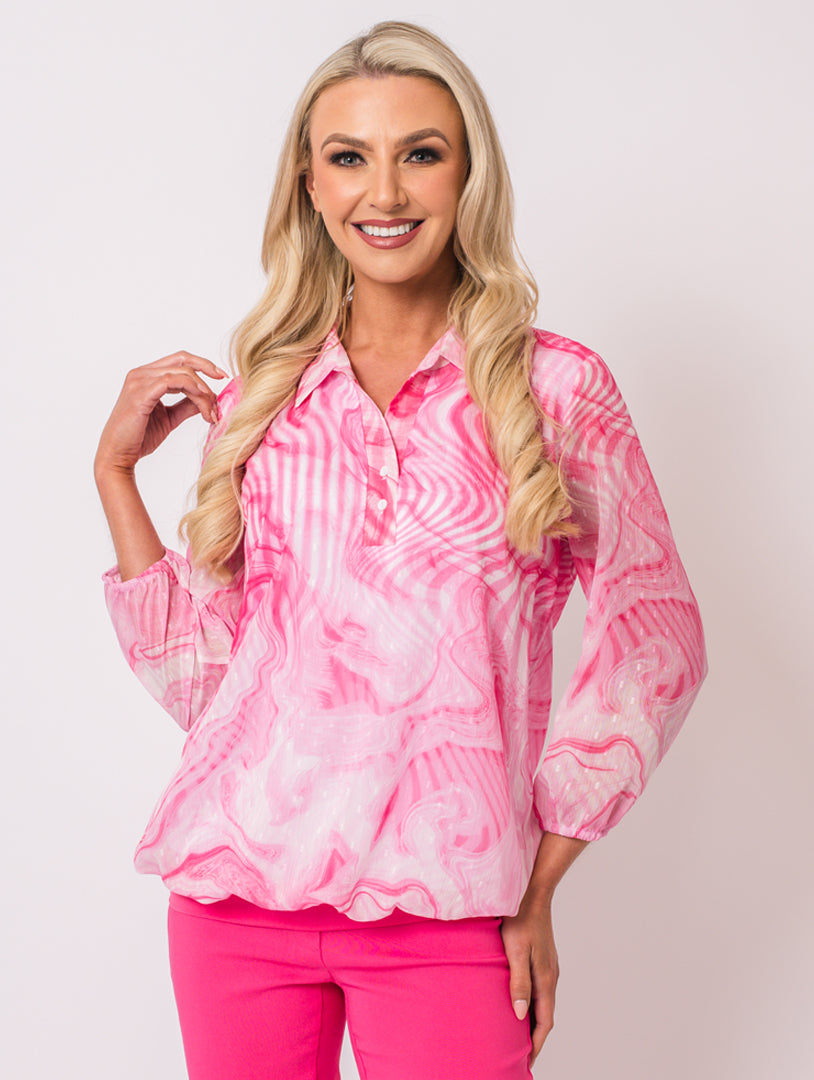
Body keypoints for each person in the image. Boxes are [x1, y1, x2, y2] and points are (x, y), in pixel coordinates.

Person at [95, 20, 707, 1080]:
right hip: (234, 910)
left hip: (452, 913)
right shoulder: (263, 400)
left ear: (468, 174)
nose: (384, 191)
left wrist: (539, 881)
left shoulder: (555, 392)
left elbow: (656, 643)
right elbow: (213, 689)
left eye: (421, 153)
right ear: (310, 184)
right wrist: (116, 479)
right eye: (349, 157)